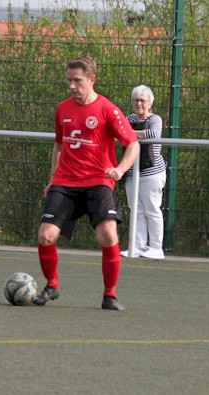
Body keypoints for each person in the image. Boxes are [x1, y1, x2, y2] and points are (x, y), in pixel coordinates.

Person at [33, 57, 140, 311]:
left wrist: (120, 169)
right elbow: (59, 145)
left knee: (108, 235)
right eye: (69, 80)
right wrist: (52, 178)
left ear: (91, 80)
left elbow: (132, 143)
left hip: (98, 181)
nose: (71, 85)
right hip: (65, 181)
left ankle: (109, 295)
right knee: (46, 236)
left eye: (77, 80)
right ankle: (51, 286)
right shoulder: (62, 109)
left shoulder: (107, 109)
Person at [121, 85, 167, 259]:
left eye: (142, 100)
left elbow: (152, 134)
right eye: (135, 100)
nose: (138, 103)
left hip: (151, 174)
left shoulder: (156, 119)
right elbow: (120, 132)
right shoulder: (129, 118)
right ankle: (138, 246)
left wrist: (130, 133)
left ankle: (156, 247)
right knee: (136, 209)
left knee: (152, 208)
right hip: (132, 173)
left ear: (149, 103)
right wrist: (132, 133)